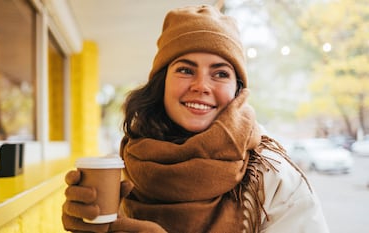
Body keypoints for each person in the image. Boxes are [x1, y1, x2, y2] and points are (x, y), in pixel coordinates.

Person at [62, 4, 330, 233]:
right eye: (186, 70)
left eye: (220, 73)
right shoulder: (126, 167)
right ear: (161, 83)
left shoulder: (272, 177)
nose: (201, 85)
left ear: (237, 90)